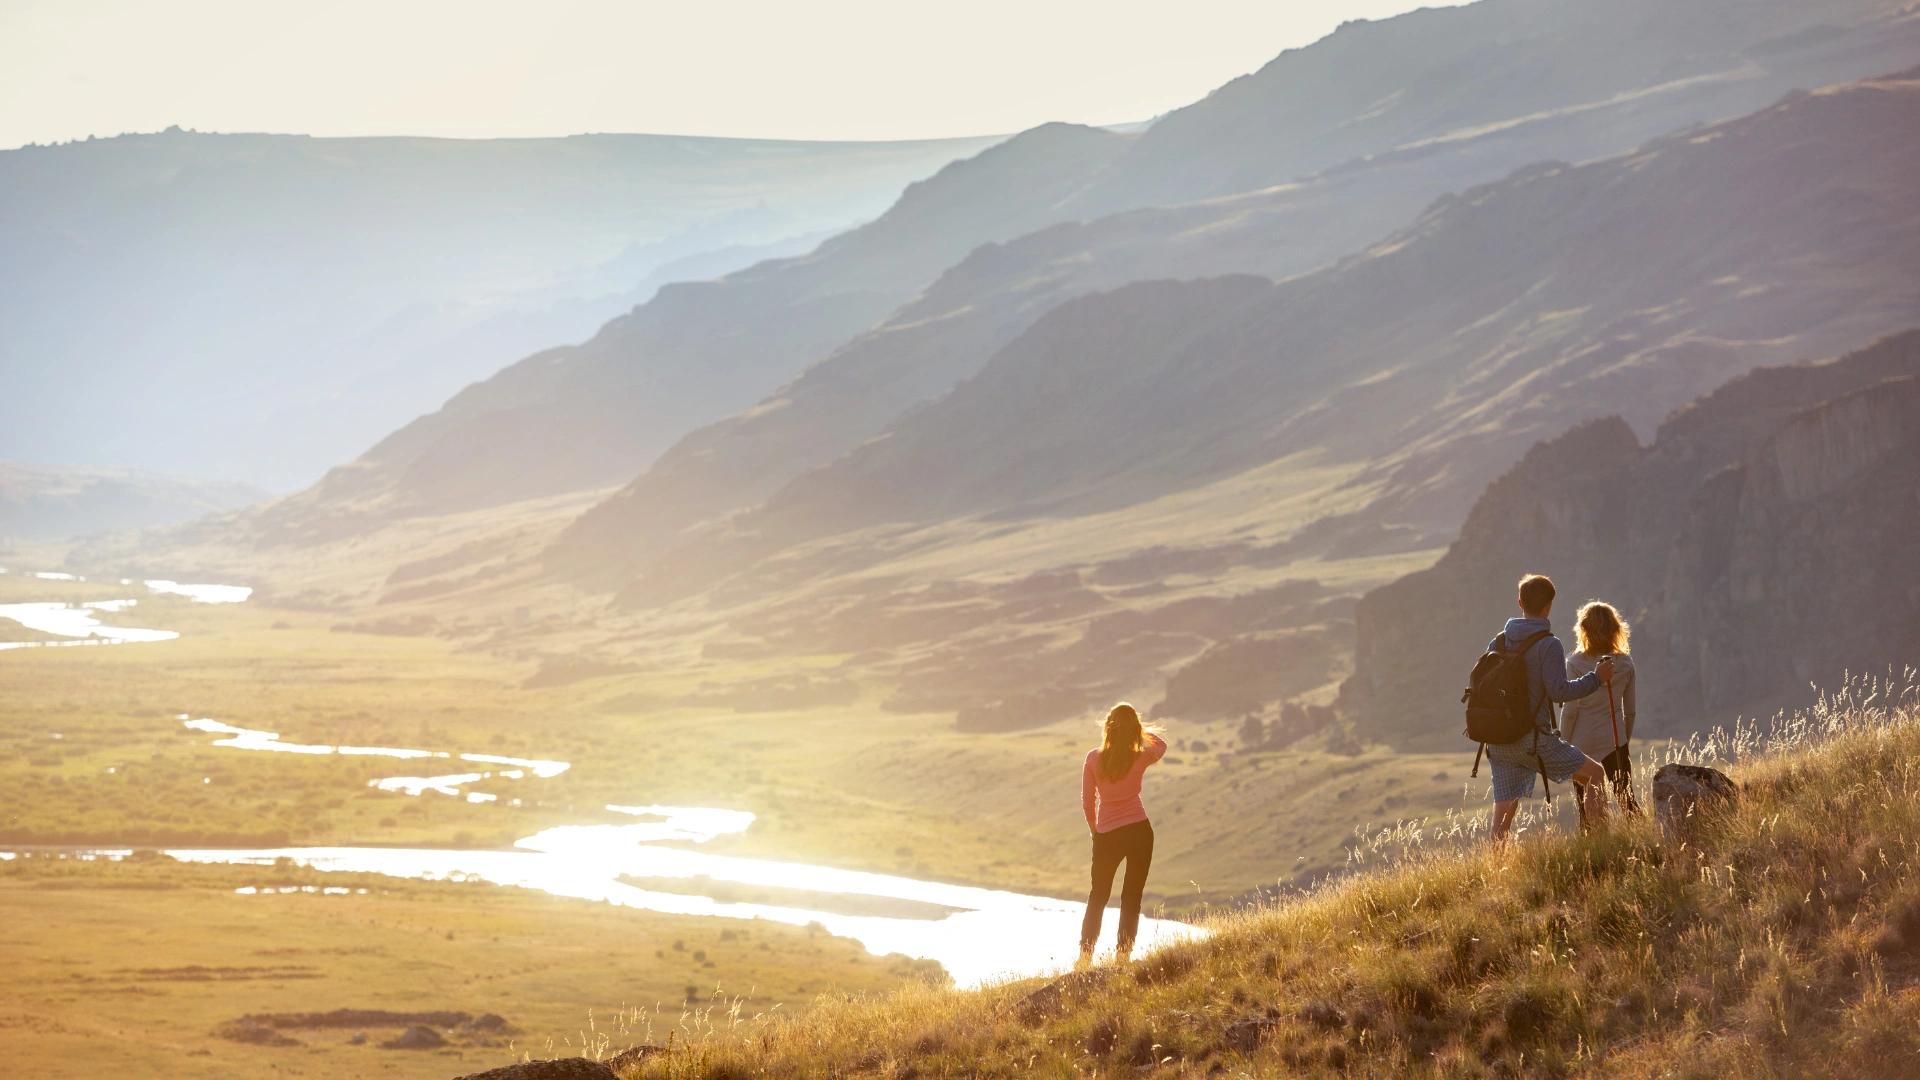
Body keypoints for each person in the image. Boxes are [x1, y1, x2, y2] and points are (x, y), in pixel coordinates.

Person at [1485, 574, 1612, 843]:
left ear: (1519, 602)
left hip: (1498, 741)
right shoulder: (1548, 644)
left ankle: (1496, 874)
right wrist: (1597, 678)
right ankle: (1602, 847)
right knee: (1595, 775)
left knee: (1502, 822)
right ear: (1548, 606)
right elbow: (1559, 692)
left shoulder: (1497, 642)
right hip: (1534, 740)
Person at [1079, 702, 1166, 966]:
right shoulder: (1139, 755)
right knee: (1132, 896)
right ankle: (1122, 956)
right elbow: (1161, 745)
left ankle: (1085, 957)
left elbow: (1087, 801)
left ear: (1108, 727)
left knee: (1098, 896)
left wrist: (1096, 831)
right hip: (1140, 831)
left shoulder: (1093, 758)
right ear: (1134, 731)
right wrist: (1137, 732)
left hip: (1107, 834)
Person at [1562, 600, 1638, 823]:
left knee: (1586, 809)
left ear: (1583, 629)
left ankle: (1594, 852)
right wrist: (1624, 742)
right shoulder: (1625, 663)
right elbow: (1630, 711)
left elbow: (1570, 710)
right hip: (1614, 740)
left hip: (1581, 744)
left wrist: (1563, 745)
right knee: (1628, 802)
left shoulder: (1574, 663)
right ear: (1616, 629)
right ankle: (1645, 845)